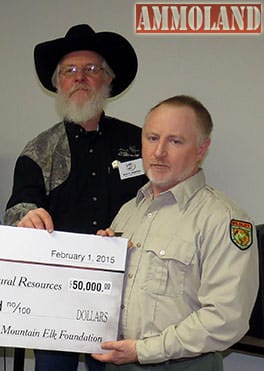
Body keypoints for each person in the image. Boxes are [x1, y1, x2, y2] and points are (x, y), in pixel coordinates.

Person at [4, 24, 147, 371]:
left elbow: (161, 204)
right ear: (58, 83)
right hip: (57, 298)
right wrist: (26, 217)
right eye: (69, 71)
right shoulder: (39, 150)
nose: (80, 78)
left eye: (91, 70)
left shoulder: (142, 143)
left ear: (109, 80)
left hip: (127, 297)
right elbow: (17, 207)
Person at [93, 95, 259, 370]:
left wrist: (143, 351)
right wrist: (97, 263)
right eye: (152, 138)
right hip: (117, 362)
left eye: (175, 141)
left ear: (201, 149)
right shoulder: (128, 211)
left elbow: (226, 319)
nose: (158, 152)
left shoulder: (223, 219)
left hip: (182, 365)